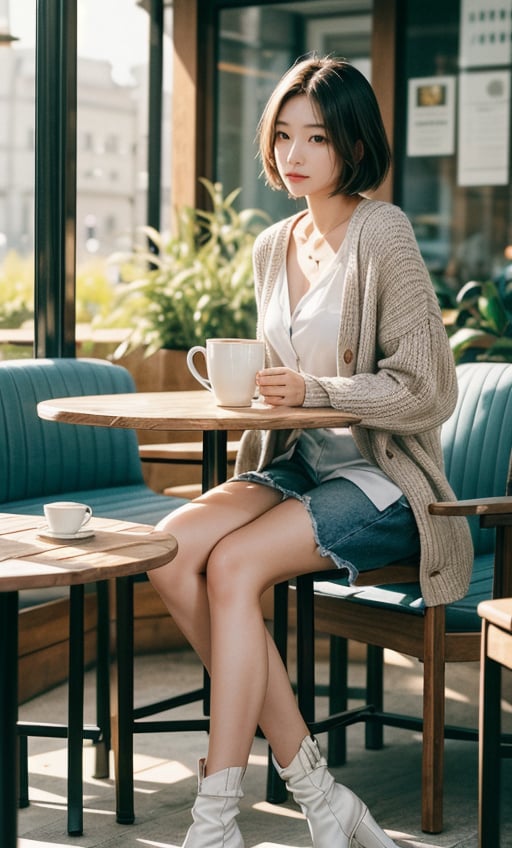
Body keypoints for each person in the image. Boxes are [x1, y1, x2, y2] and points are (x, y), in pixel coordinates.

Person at [149, 55, 473, 848]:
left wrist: (320, 391)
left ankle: (215, 818)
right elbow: (283, 384)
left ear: (352, 145)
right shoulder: (272, 244)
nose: (294, 154)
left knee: (231, 567)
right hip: (300, 467)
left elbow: (431, 387)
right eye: (283, 134)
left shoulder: (383, 232)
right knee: (168, 548)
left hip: (384, 479)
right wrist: (275, 396)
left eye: (317, 137)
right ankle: (321, 794)